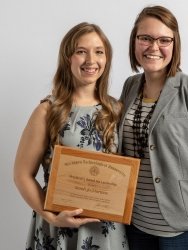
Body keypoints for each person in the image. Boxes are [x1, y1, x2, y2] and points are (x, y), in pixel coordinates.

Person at [118, 5, 188, 250]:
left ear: (175, 44)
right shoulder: (129, 86)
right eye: (145, 38)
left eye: (164, 39)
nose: (153, 47)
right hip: (136, 223)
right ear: (134, 42)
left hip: (184, 227)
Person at [14, 22, 129, 250]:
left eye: (98, 52)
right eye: (81, 51)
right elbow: (22, 175)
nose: (90, 60)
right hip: (59, 229)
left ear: (107, 59)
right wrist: (51, 217)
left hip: (107, 232)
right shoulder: (48, 111)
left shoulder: (117, 109)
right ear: (68, 58)